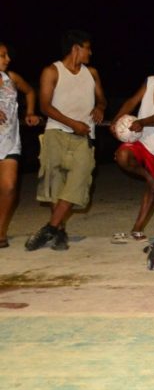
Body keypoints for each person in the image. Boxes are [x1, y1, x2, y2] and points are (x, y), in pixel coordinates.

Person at [26, 30, 107, 251]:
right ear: (76, 48)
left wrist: (100, 108)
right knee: (56, 186)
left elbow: (102, 99)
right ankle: (59, 233)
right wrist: (72, 123)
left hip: (84, 137)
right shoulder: (52, 71)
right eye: (87, 48)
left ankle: (49, 228)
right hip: (56, 133)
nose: (90, 52)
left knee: (78, 182)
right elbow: (45, 106)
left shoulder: (92, 73)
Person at [109, 76, 154, 242]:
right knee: (122, 156)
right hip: (141, 141)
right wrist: (116, 121)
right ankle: (149, 177)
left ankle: (137, 228)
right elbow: (132, 101)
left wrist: (143, 122)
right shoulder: (151, 81)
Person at [0, 42, 40, 248]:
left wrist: (30, 112)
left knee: (9, 187)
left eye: (7, 54)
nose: (8, 59)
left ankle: (0, 232)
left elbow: (30, 91)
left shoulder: (11, 78)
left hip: (9, 141)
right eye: (2, 55)